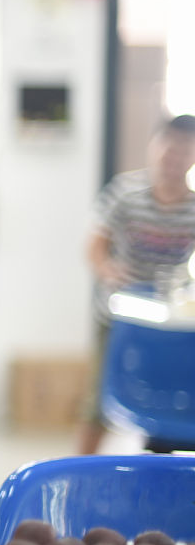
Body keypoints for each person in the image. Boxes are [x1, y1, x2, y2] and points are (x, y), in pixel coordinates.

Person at [76, 114, 195, 455]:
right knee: (96, 401)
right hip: (119, 315)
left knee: (167, 398)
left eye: (185, 150)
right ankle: (79, 472)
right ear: (155, 147)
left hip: (168, 320)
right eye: (169, 148)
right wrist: (107, 268)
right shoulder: (125, 193)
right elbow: (95, 243)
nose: (174, 158)